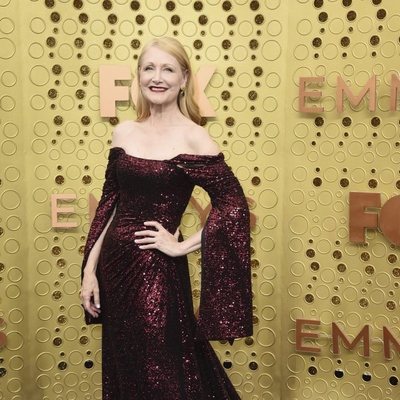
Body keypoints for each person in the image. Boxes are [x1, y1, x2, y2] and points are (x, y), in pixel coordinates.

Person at [80, 37, 252, 400]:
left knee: (167, 370)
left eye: (168, 69)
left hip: (157, 273)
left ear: (184, 79)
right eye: (149, 68)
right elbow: (110, 204)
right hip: (115, 270)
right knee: (125, 366)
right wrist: (89, 272)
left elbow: (234, 206)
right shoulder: (124, 132)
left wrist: (181, 247)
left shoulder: (195, 138)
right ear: (139, 76)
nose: (157, 77)